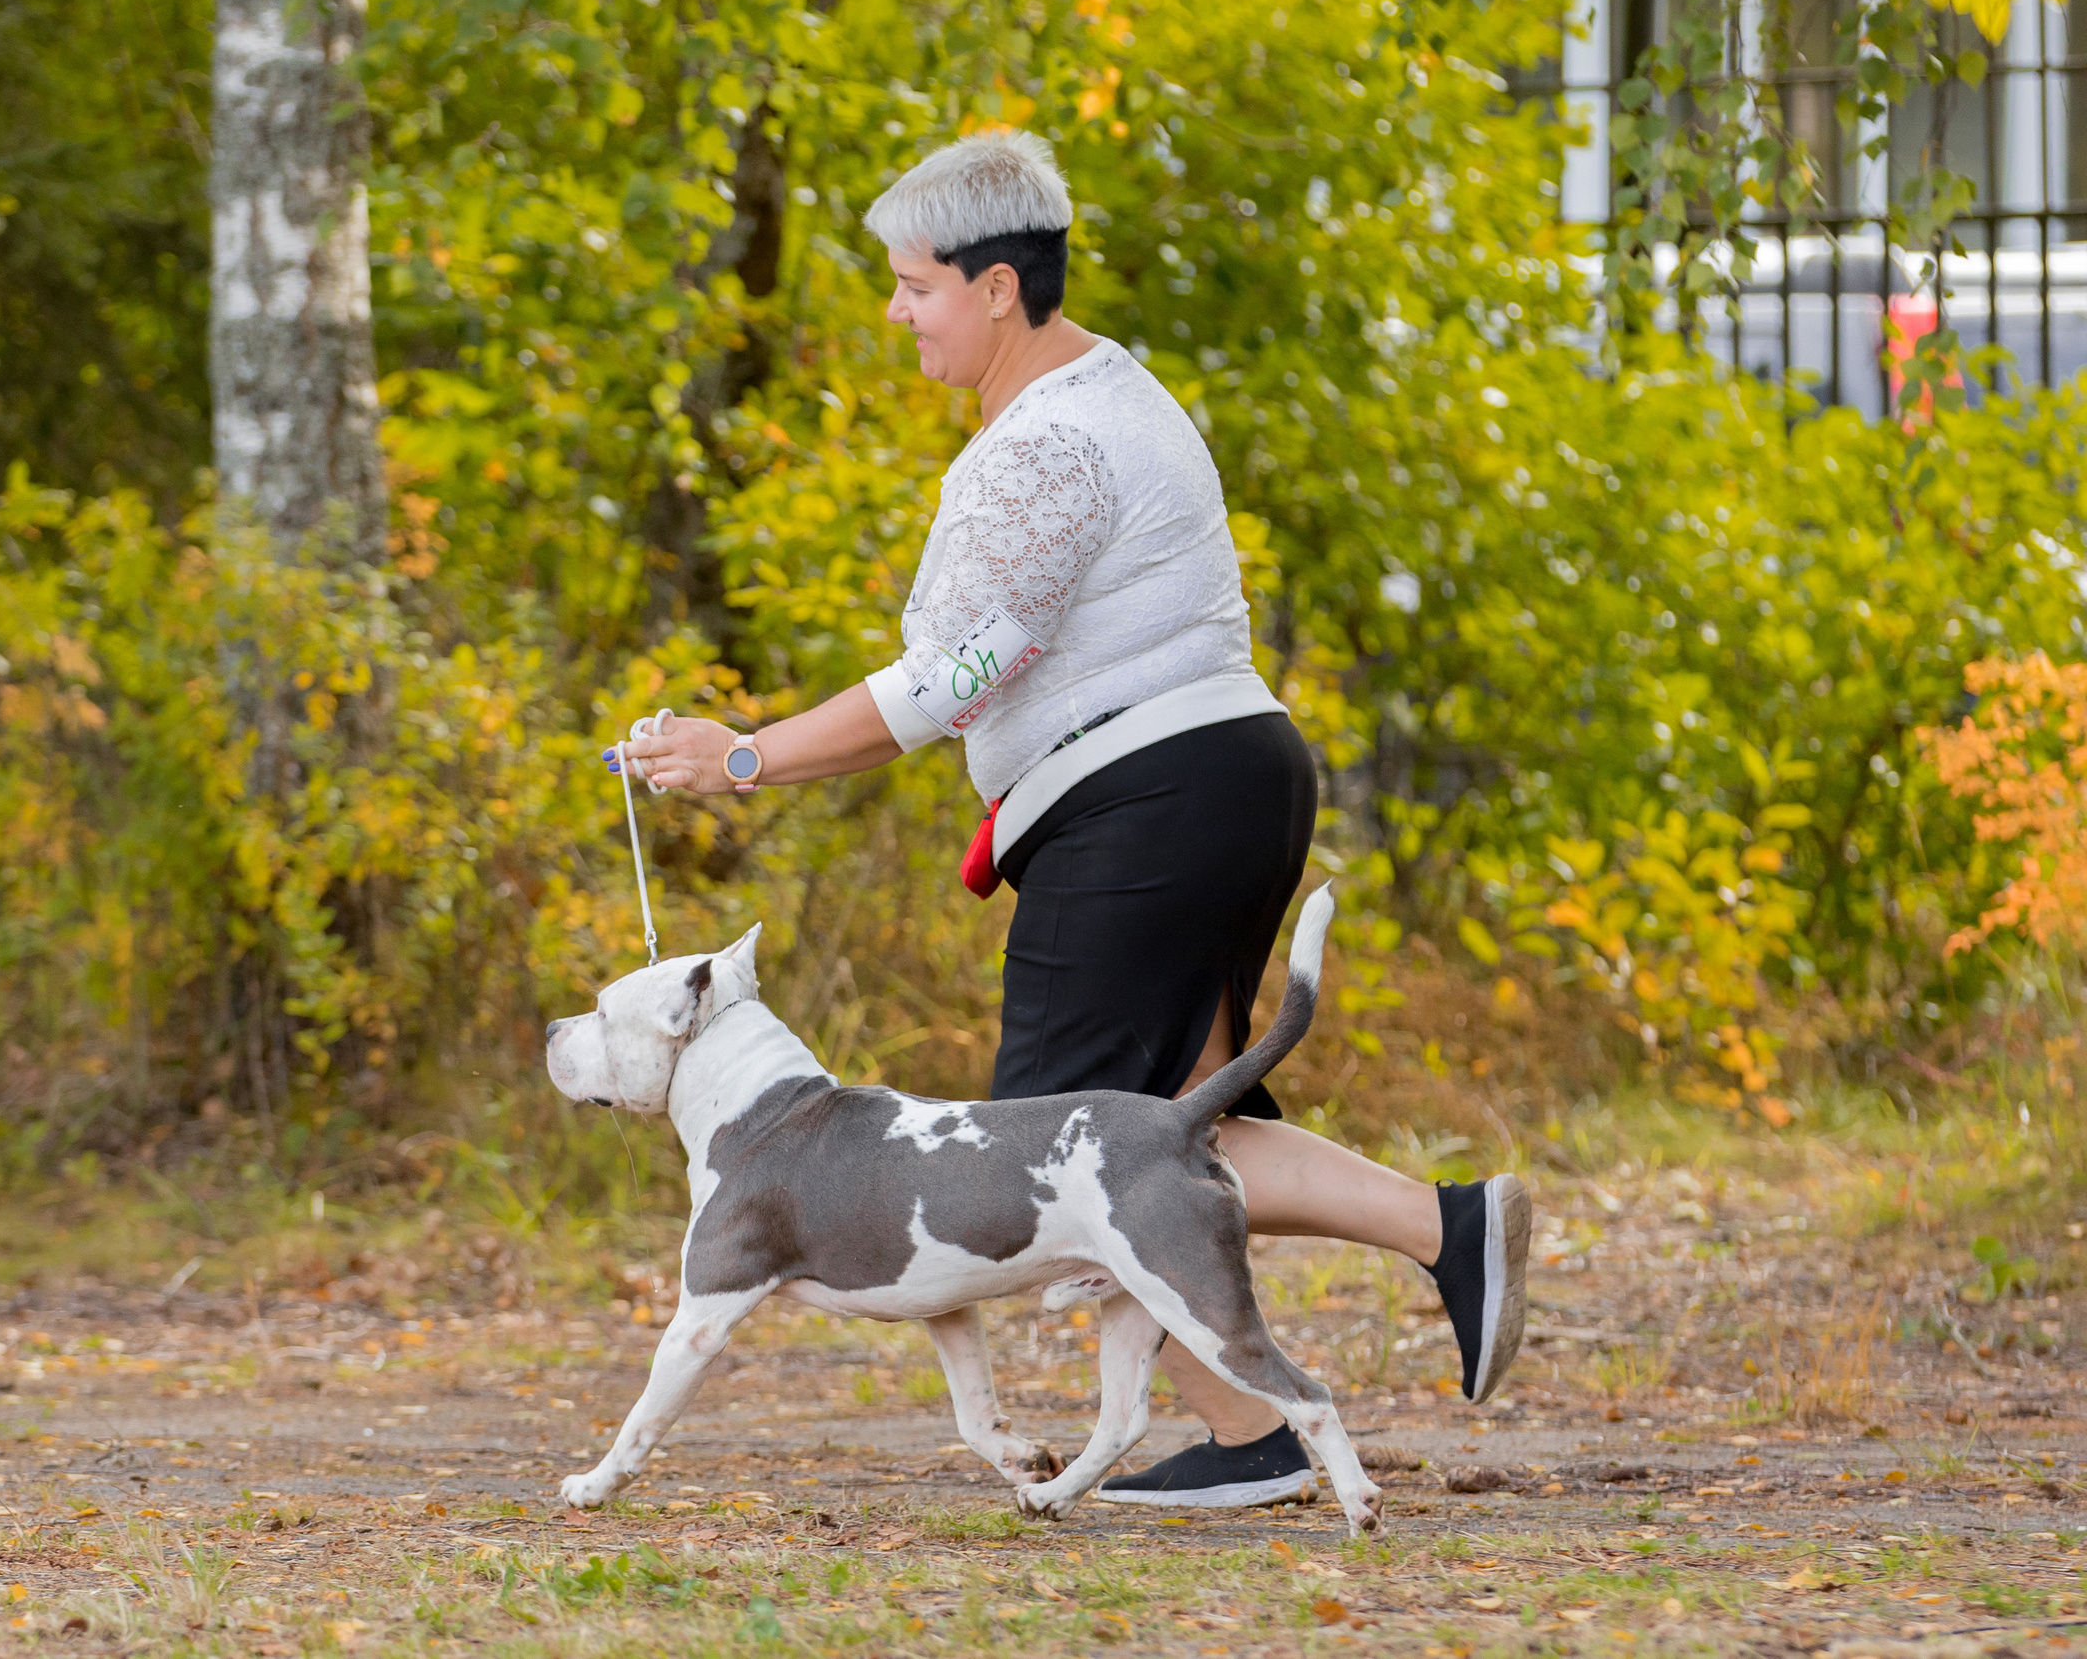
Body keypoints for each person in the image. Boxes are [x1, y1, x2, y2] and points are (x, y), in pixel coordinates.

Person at [609, 129, 1529, 1509]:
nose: (896, 313)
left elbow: (949, 683)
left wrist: (741, 758)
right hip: (1215, 779)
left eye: (915, 286)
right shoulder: (1112, 394)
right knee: (1165, 1135)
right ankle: (1412, 1270)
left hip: (1144, 804)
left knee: (1054, 1155)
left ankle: (1290, 1395)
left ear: (997, 288)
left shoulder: (1047, 445)